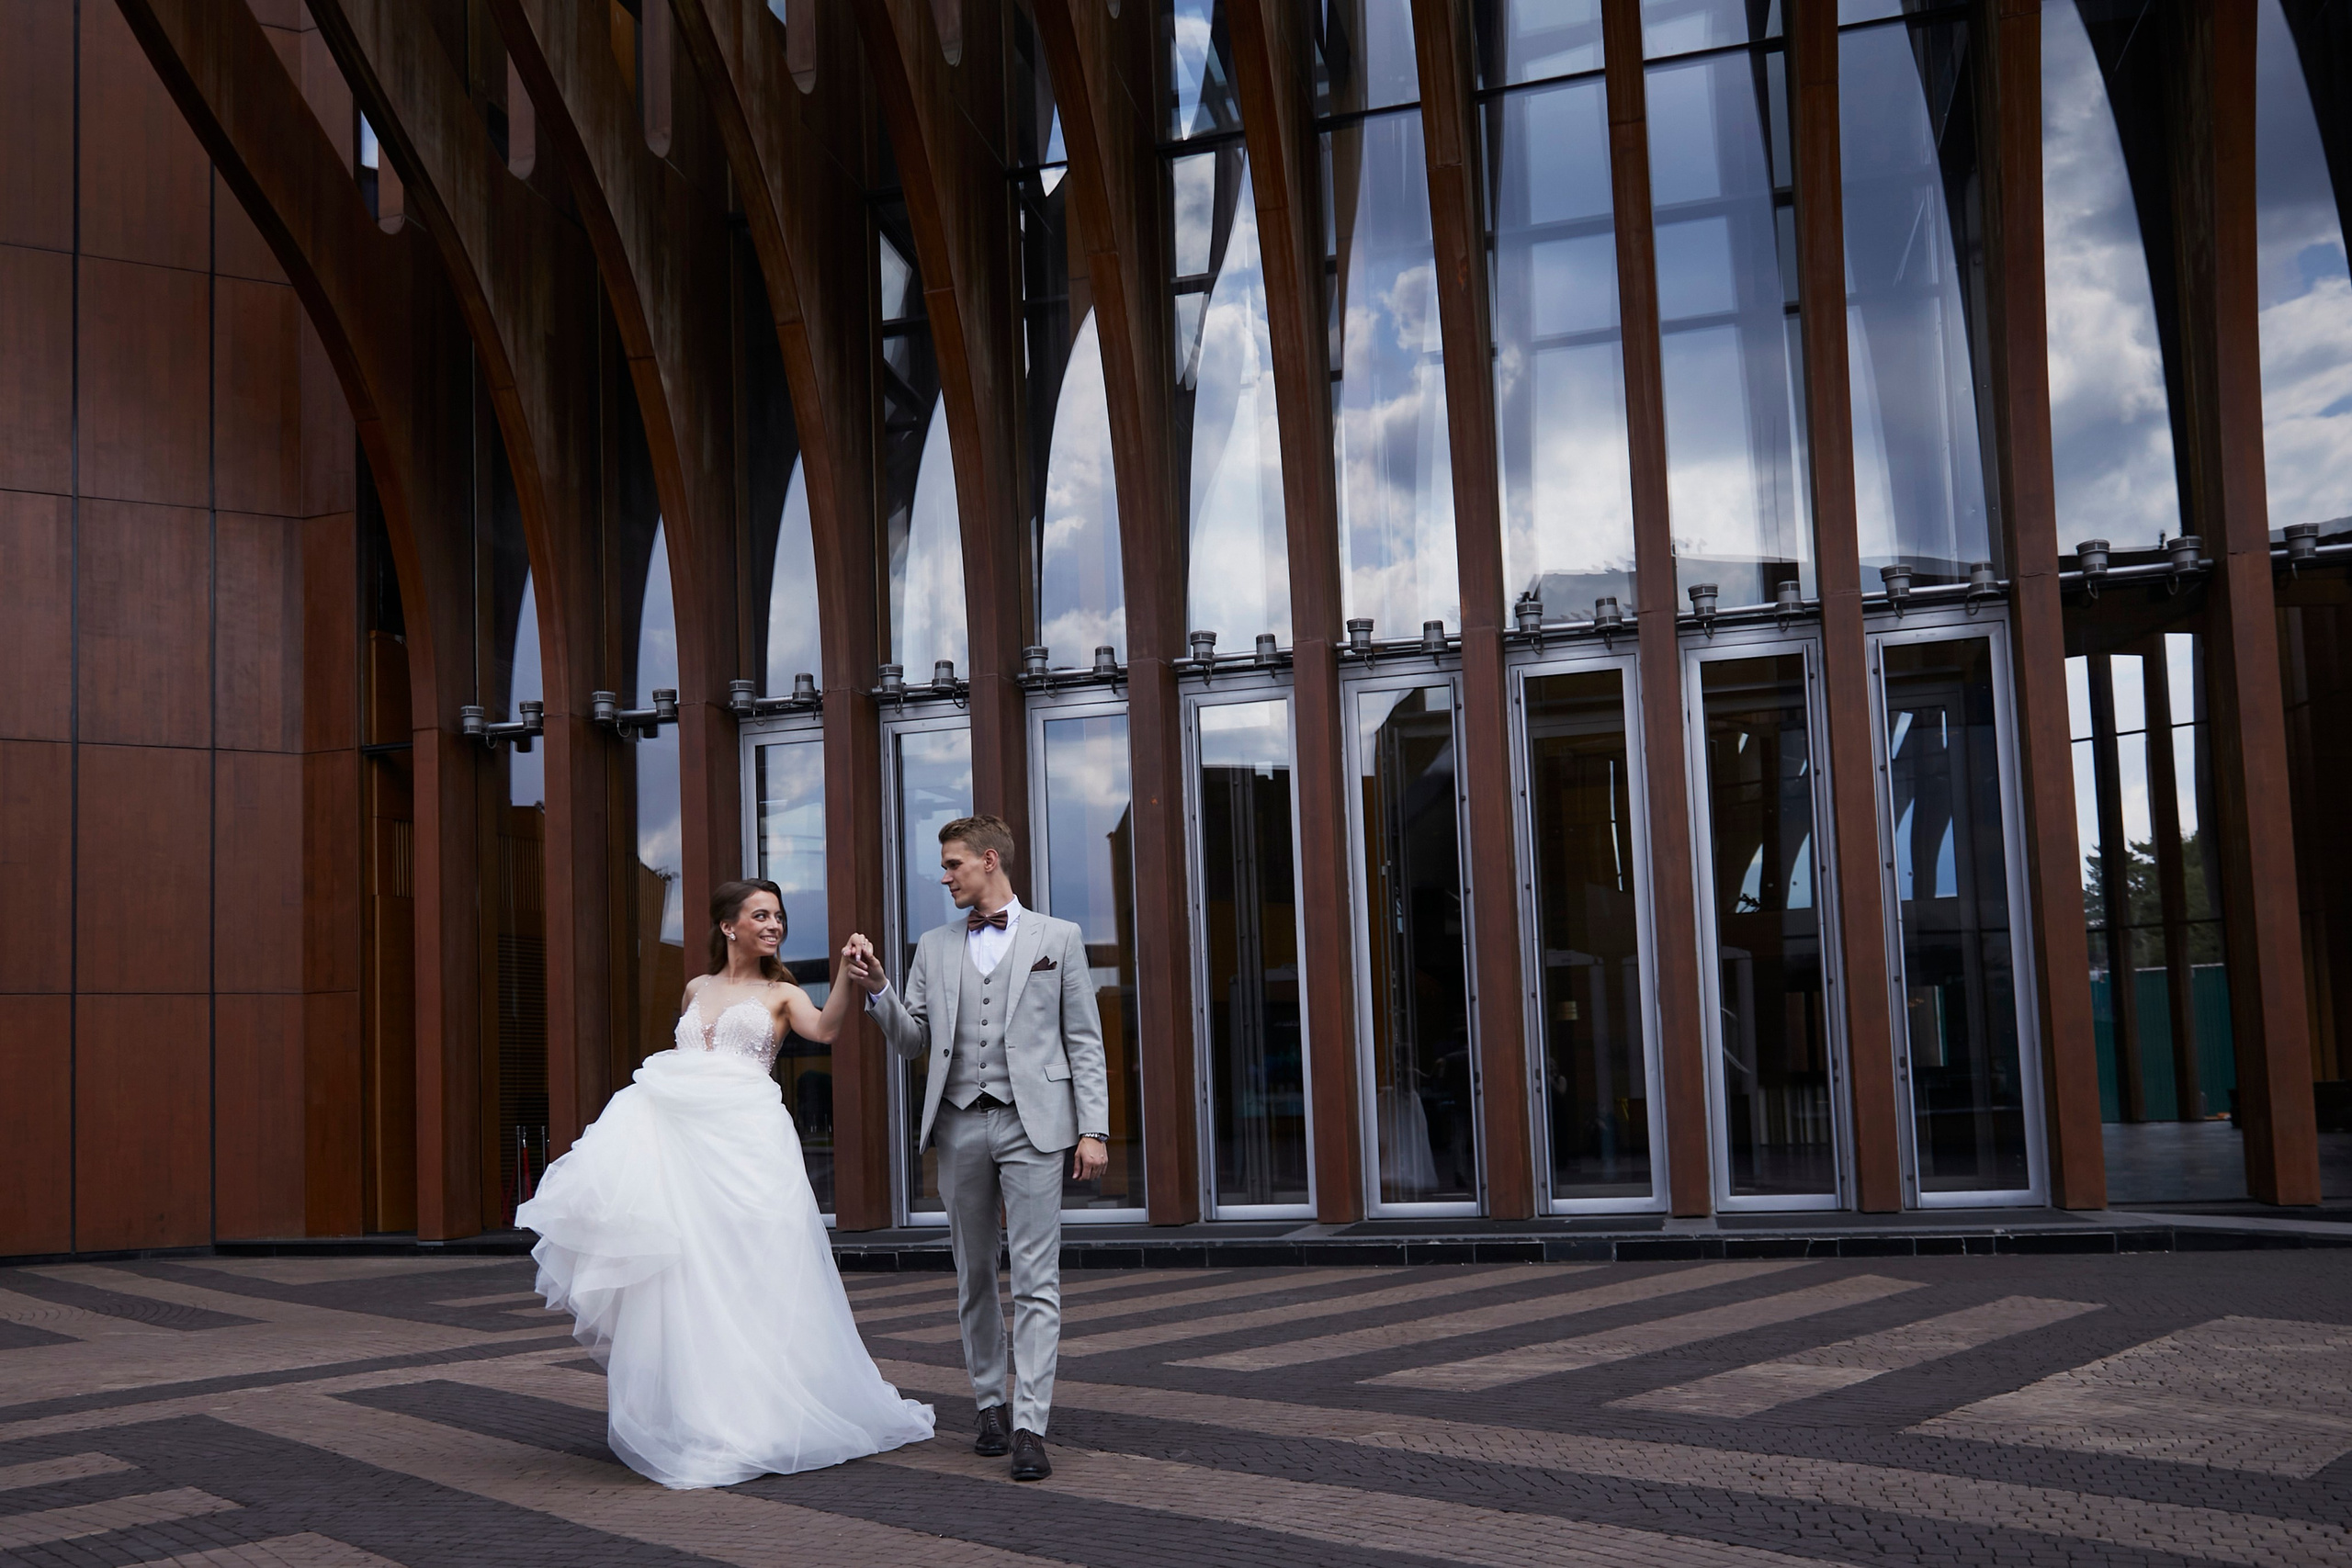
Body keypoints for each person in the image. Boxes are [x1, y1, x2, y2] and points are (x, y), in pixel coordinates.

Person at [517, 879, 934, 1489]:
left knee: (753, 1273)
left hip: (750, 1148)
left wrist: (849, 972)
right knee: (691, 1275)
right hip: (689, 1152)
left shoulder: (784, 992)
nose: (774, 925)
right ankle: (702, 1413)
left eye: (779, 916)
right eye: (760, 915)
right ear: (728, 926)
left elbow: (825, 1031)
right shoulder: (695, 988)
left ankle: (767, 1411)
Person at [842, 814, 1109, 1482]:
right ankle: (989, 1403)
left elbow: (1084, 1041)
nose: (945, 875)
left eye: (954, 863)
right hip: (959, 1124)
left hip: (1036, 1124)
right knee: (974, 1274)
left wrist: (1094, 1128)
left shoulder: (1060, 937)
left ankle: (1030, 1423)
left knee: (1037, 1278)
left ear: (990, 860)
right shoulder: (931, 946)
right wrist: (877, 987)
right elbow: (912, 1041)